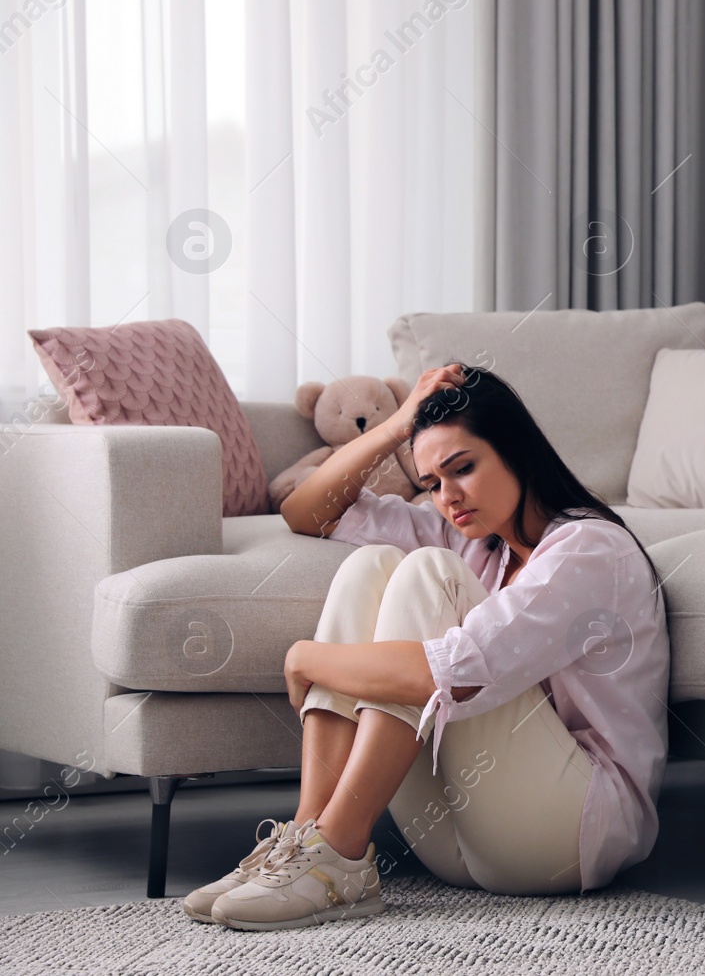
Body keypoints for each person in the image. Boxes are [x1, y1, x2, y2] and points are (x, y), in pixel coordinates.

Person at [183, 363, 669, 931]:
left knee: (425, 573)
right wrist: (396, 429)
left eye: (462, 468)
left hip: (571, 834)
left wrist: (304, 657)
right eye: (432, 483)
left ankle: (338, 846)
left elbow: (448, 674)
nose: (448, 497)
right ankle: (307, 841)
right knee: (372, 564)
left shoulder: (589, 548)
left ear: (516, 450)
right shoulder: (475, 540)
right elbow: (307, 511)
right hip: (467, 836)